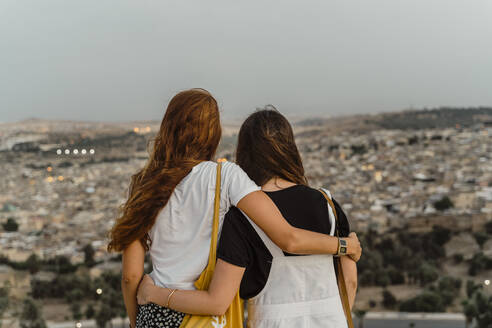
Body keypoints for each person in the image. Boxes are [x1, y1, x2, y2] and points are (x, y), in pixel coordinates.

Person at [108, 90, 361, 328]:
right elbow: (288, 237)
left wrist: (139, 319)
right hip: (203, 315)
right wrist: (345, 246)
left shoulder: (143, 185)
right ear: (214, 133)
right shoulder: (225, 177)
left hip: (153, 313)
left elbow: (130, 277)